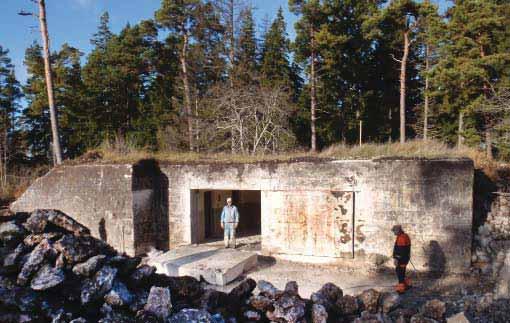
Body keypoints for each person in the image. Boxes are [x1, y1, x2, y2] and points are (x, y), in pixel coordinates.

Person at [392, 224, 412, 293]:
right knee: (402, 271)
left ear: (398, 231)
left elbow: (401, 250)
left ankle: (401, 288)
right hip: (405, 258)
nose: (394, 232)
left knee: (399, 271)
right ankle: (406, 284)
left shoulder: (401, 238)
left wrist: (396, 258)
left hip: (401, 258)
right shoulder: (404, 236)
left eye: (394, 231)